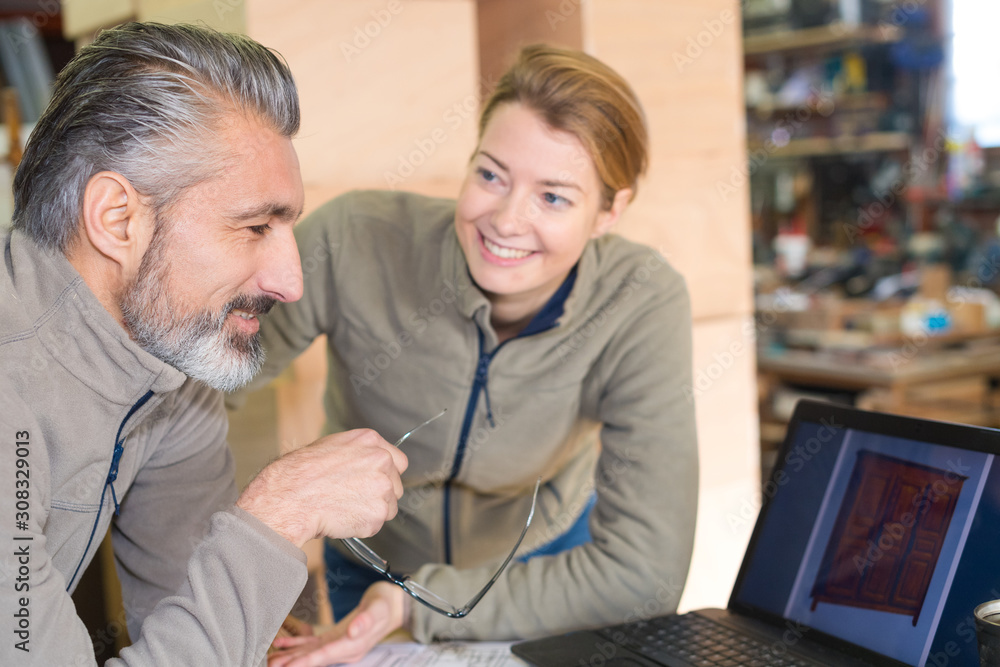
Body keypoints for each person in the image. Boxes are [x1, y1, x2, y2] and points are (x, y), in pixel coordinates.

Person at [259, 44, 699, 666]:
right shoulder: (353, 239)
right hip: (374, 564)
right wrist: (241, 557)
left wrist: (418, 604)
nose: (506, 222)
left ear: (611, 210)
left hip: (548, 574)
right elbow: (200, 391)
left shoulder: (641, 301)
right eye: (491, 175)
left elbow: (642, 573)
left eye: (554, 197)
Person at [0, 22, 407, 666]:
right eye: (253, 226)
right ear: (117, 219)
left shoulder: (168, 361)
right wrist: (281, 511)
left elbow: (201, 626)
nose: (291, 283)